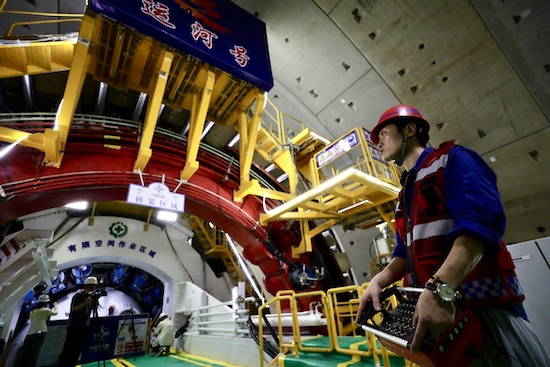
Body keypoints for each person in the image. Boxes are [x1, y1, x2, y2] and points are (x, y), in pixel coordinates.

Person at [356, 105, 550, 366]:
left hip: (483, 315)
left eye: (383, 133)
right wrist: (379, 281)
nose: (376, 142)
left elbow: (479, 225)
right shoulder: (404, 197)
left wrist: (438, 290)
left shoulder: (452, 160)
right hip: (437, 320)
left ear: (410, 129)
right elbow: (404, 252)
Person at [57, 276, 99, 367]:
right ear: (90, 285)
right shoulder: (78, 295)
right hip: (75, 326)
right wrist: (88, 301)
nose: (95, 287)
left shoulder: (89, 297)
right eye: (94, 285)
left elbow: (90, 310)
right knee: (68, 349)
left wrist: (94, 302)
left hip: (84, 326)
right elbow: (75, 308)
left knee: (77, 350)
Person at [16, 294, 58, 367]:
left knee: (25, 354)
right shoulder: (45, 310)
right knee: (34, 354)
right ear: (46, 303)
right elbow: (55, 313)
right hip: (40, 333)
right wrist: (55, 305)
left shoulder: (32, 312)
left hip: (29, 334)